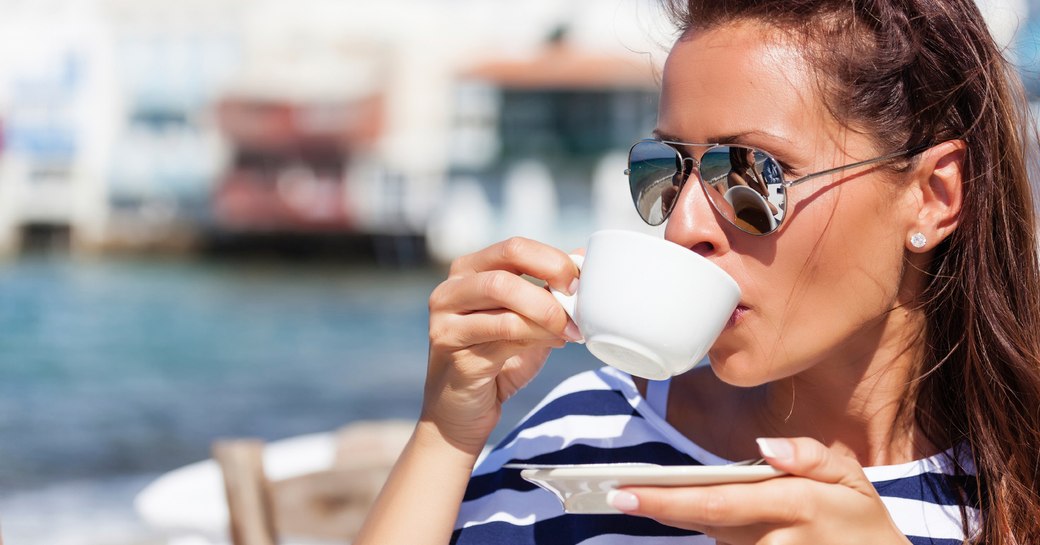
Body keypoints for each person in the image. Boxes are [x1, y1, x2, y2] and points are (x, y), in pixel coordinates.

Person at [355, 0, 1040, 543]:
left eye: (749, 175)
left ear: (934, 196)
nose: (683, 225)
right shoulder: (583, 444)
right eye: (665, 171)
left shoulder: (1020, 480)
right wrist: (444, 435)